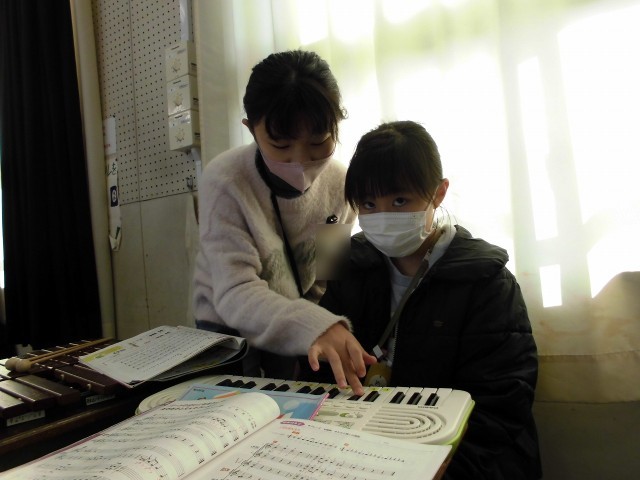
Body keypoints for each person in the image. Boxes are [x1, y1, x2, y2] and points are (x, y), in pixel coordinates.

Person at [303, 120, 542, 479]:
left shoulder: (488, 280)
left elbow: (502, 403)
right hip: (365, 448)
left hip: (459, 457)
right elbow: (321, 373)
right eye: (368, 204)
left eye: (400, 200)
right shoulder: (344, 258)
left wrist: (430, 466)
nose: (383, 217)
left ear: (438, 193)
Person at [192, 50, 375, 386]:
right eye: (280, 145)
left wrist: (316, 327)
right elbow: (235, 292)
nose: (299, 160)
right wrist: (314, 325)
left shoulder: (339, 183)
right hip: (226, 321)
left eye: (319, 142)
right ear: (251, 130)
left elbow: (324, 277)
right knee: (236, 406)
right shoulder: (225, 180)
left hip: (298, 315)